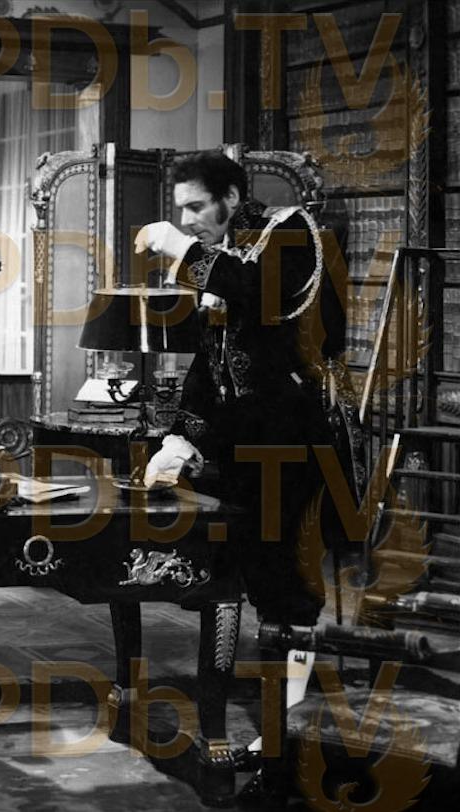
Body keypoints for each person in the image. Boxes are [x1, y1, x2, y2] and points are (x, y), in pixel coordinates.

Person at [137, 150, 358, 800]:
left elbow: (263, 294)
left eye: (196, 206)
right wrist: (181, 436)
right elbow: (209, 363)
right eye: (180, 210)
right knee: (253, 586)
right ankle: (278, 734)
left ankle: (291, 745)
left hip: (294, 446)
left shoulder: (292, 233)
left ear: (231, 197)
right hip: (240, 450)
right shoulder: (223, 260)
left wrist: (181, 249)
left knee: (292, 593)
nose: (187, 219)